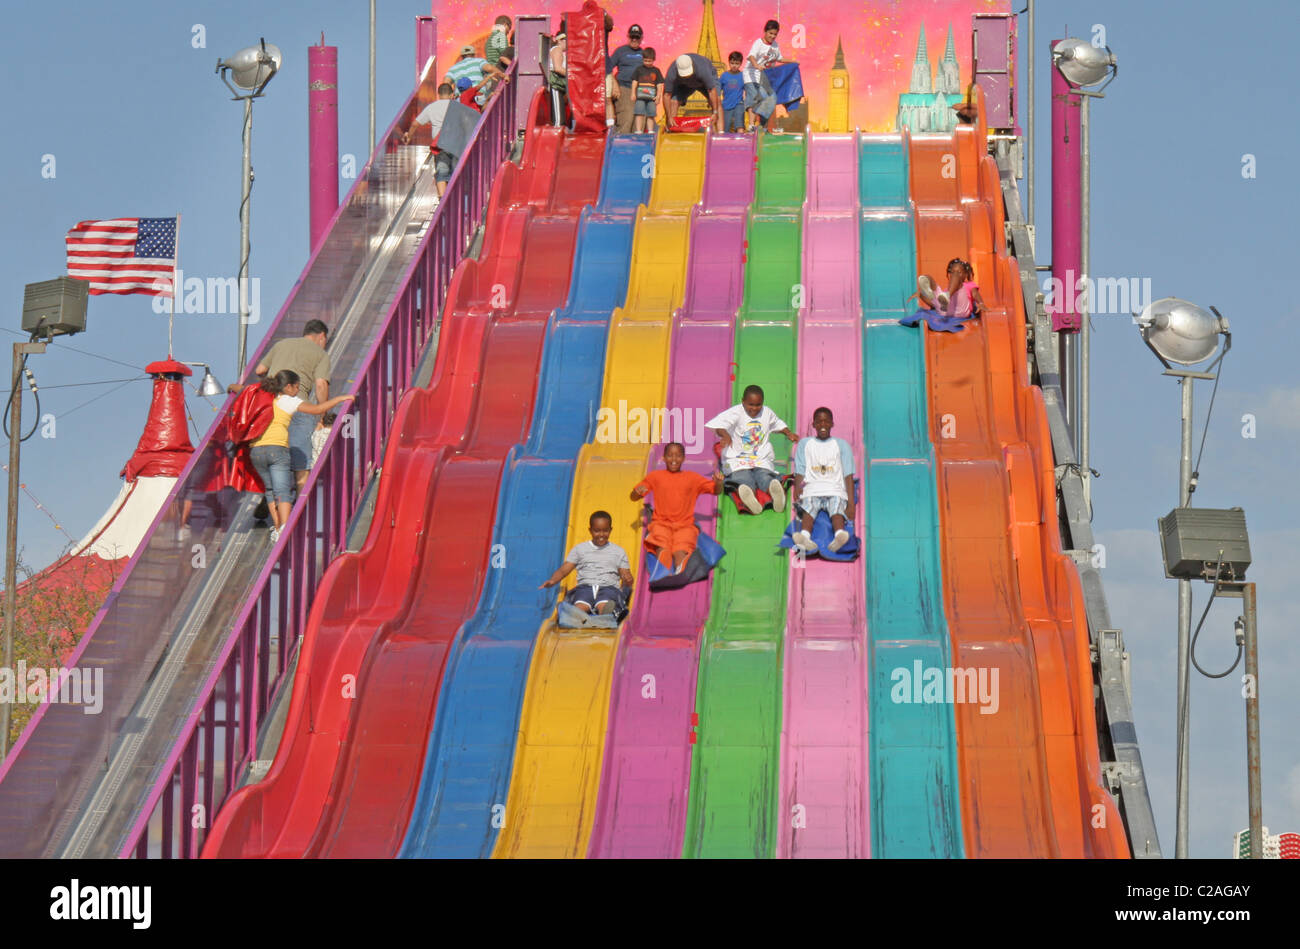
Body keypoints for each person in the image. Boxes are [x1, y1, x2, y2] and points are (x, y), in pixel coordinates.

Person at [248, 371, 355, 542]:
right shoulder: (289, 400)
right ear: (288, 386)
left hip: (255, 450)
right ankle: (284, 528)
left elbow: (242, 392)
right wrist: (341, 398)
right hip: (277, 448)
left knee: (269, 490)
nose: (298, 391)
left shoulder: (265, 396)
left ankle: (276, 528)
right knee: (282, 490)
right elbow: (317, 409)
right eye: (296, 387)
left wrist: (232, 387)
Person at [232, 320, 332, 493]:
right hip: (298, 407)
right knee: (302, 460)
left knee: (276, 454)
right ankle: (301, 506)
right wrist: (323, 414)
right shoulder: (320, 354)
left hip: (272, 406)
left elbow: (260, 370)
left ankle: (270, 495)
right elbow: (321, 385)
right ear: (322, 336)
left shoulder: (281, 344)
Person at [630, 442, 724, 573]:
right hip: (661, 524)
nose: (674, 459)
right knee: (661, 543)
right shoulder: (655, 477)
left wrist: (718, 483)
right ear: (663, 457)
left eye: (678, 456)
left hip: (685, 525)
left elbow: (715, 490)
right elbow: (633, 497)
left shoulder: (692, 478)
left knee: (682, 547)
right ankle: (665, 561)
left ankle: (681, 564)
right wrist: (636, 493)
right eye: (670, 455)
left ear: (684, 458)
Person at [706, 384, 798, 515]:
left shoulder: (767, 412)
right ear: (743, 401)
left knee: (764, 474)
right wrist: (726, 435)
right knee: (742, 476)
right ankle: (747, 492)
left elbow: (777, 423)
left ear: (763, 402)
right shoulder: (736, 412)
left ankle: (773, 487)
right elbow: (720, 426)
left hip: (760, 456)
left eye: (758, 405)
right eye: (750, 405)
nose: (754, 408)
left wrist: (789, 433)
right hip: (738, 457)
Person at [539, 511, 634, 615]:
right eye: (597, 531)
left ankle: (606, 615)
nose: (601, 534)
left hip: (608, 588)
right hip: (585, 587)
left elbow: (625, 573)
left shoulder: (618, 551)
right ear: (590, 530)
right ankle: (575, 615)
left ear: (611, 530)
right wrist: (552, 580)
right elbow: (563, 570)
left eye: (605, 531)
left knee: (604, 604)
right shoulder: (580, 549)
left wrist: (628, 579)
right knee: (580, 605)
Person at [790, 407, 855, 554]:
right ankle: (805, 536)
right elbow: (800, 468)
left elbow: (848, 474)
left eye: (826, 421)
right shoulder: (805, 444)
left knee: (837, 509)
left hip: (835, 488)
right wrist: (797, 486)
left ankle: (839, 535)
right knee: (808, 509)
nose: (823, 425)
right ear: (813, 425)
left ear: (832, 423)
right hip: (812, 488)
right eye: (819, 422)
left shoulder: (841, 445)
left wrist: (851, 504)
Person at [401, 83, 458, 198]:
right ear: (452, 94)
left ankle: (442, 199)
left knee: (442, 171)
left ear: (439, 94)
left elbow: (415, 123)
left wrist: (409, 135)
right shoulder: (457, 106)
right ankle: (455, 196)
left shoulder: (432, 107)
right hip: (456, 143)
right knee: (456, 170)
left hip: (440, 144)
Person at [664, 53, 723, 133]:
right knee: (674, 102)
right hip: (684, 84)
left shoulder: (702, 69)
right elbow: (667, 95)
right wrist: (669, 116)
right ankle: (671, 131)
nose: (687, 76)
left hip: (702, 82)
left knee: (717, 101)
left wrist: (715, 112)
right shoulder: (672, 72)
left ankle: (720, 133)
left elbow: (712, 90)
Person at [744, 20, 783, 131]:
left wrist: (793, 62)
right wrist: (756, 65)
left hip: (763, 76)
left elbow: (779, 58)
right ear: (765, 32)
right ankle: (751, 125)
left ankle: (761, 126)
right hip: (751, 74)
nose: (772, 36)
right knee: (753, 98)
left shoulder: (775, 45)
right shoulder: (758, 43)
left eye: (775, 34)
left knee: (771, 98)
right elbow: (751, 56)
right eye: (770, 33)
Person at [607, 24, 646, 133]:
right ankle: (621, 144)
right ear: (628, 37)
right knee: (627, 115)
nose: (634, 39)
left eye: (637, 37)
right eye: (632, 37)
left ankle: (638, 145)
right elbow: (607, 67)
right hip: (624, 88)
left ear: (641, 38)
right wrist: (614, 84)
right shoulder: (620, 51)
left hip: (641, 90)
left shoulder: (644, 53)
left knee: (640, 119)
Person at [631, 47, 664, 133]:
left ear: (654, 60)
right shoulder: (639, 69)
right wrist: (633, 93)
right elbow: (635, 82)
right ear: (642, 59)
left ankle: (650, 130)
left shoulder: (656, 71)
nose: (647, 63)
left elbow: (659, 84)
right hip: (640, 97)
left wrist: (658, 96)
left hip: (651, 98)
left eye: (649, 61)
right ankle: (638, 130)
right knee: (639, 113)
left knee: (651, 114)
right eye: (645, 61)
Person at [719, 51, 747, 132]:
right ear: (729, 62)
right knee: (725, 128)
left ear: (741, 63)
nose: (734, 65)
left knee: (739, 125)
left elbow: (748, 90)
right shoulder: (724, 75)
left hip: (739, 104)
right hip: (726, 105)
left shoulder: (743, 76)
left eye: (737, 63)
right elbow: (717, 90)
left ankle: (741, 141)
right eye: (732, 63)